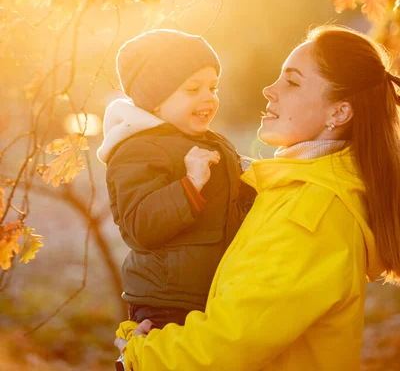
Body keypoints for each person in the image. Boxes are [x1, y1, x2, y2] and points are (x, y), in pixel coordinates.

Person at [114, 25, 400, 371]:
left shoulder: (312, 213)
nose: (269, 89)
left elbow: (228, 345)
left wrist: (139, 354)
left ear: (338, 113)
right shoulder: (290, 189)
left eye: (292, 82)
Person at [97, 29, 255, 339]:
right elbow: (140, 225)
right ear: (155, 101)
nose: (207, 97)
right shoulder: (136, 150)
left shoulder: (210, 142)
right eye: (192, 88)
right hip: (167, 302)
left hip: (214, 292)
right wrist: (191, 184)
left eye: (213, 87)